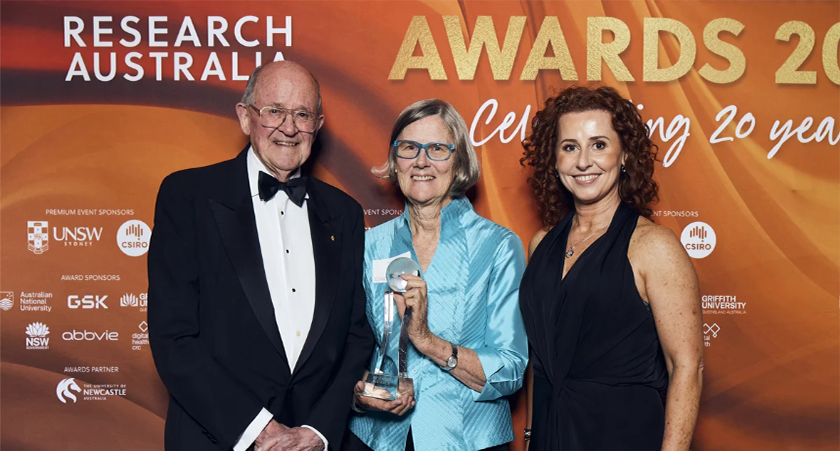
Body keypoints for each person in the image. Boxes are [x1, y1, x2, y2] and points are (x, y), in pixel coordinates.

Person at [148, 61, 373, 451]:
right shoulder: (188, 196)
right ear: (245, 117)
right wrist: (261, 432)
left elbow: (356, 336)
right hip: (216, 440)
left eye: (302, 114)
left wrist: (317, 432)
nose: (289, 127)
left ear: (317, 126)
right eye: (274, 110)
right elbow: (174, 337)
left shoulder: (346, 212)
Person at [519, 86, 704, 450]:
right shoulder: (541, 244)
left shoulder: (654, 246)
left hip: (623, 433)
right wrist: (529, 435)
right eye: (570, 146)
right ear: (554, 159)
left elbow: (686, 366)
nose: (583, 161)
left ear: (624, 156)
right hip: (549, 434)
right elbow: (538, 361)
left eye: (599, 144)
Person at [346, 99, 529, 451]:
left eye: (438, 149)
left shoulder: (498, 246)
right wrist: (361, 393)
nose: (421, 162)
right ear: (394, 160)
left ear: (458, 161)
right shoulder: (369, 245)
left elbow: (510, 370)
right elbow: (346, 350)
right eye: (409, 148)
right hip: (378, 438)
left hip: (467, 441)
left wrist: (427, 341)